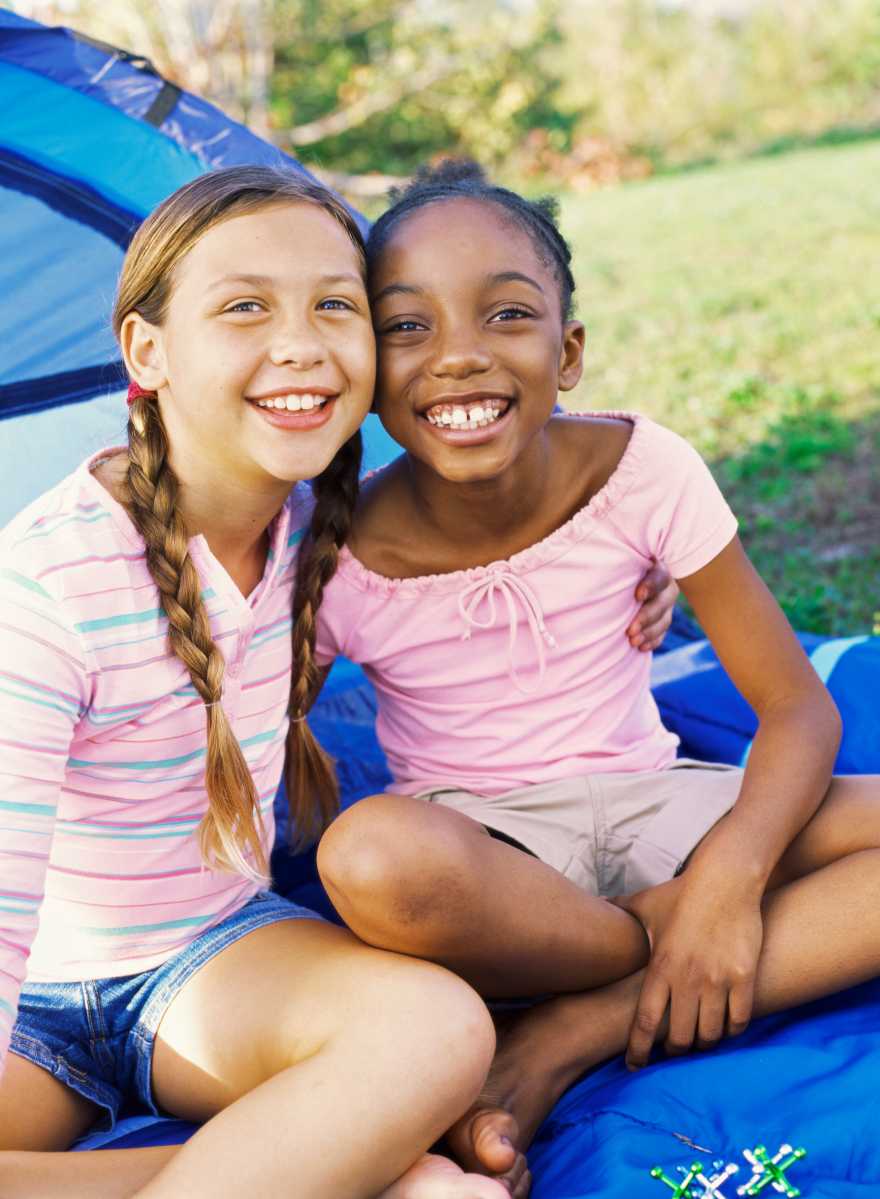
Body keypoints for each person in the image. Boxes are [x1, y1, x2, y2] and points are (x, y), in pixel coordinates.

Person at [313, 161, 880, 1190]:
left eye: (507, 313)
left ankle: (590, 1016)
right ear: (361, 364)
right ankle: (643, 945)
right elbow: (247, 743)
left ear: (566, 351)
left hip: (660, 805)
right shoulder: (334, 545)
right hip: (488, 863)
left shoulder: (642, 470)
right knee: (369, 856)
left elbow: (796, 707)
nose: (459, 356)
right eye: (407, 326)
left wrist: (728, 877)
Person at [0, 165, 523, 1199]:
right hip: (31, 1002)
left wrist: (641, 586)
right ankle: (318, 1175)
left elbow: (510, 557)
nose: (300, 342)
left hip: (211, 963)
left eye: (335, 304)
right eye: (245, 306)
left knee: (436, 1025)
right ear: (148, 351)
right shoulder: (50, 582)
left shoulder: (329, 530)